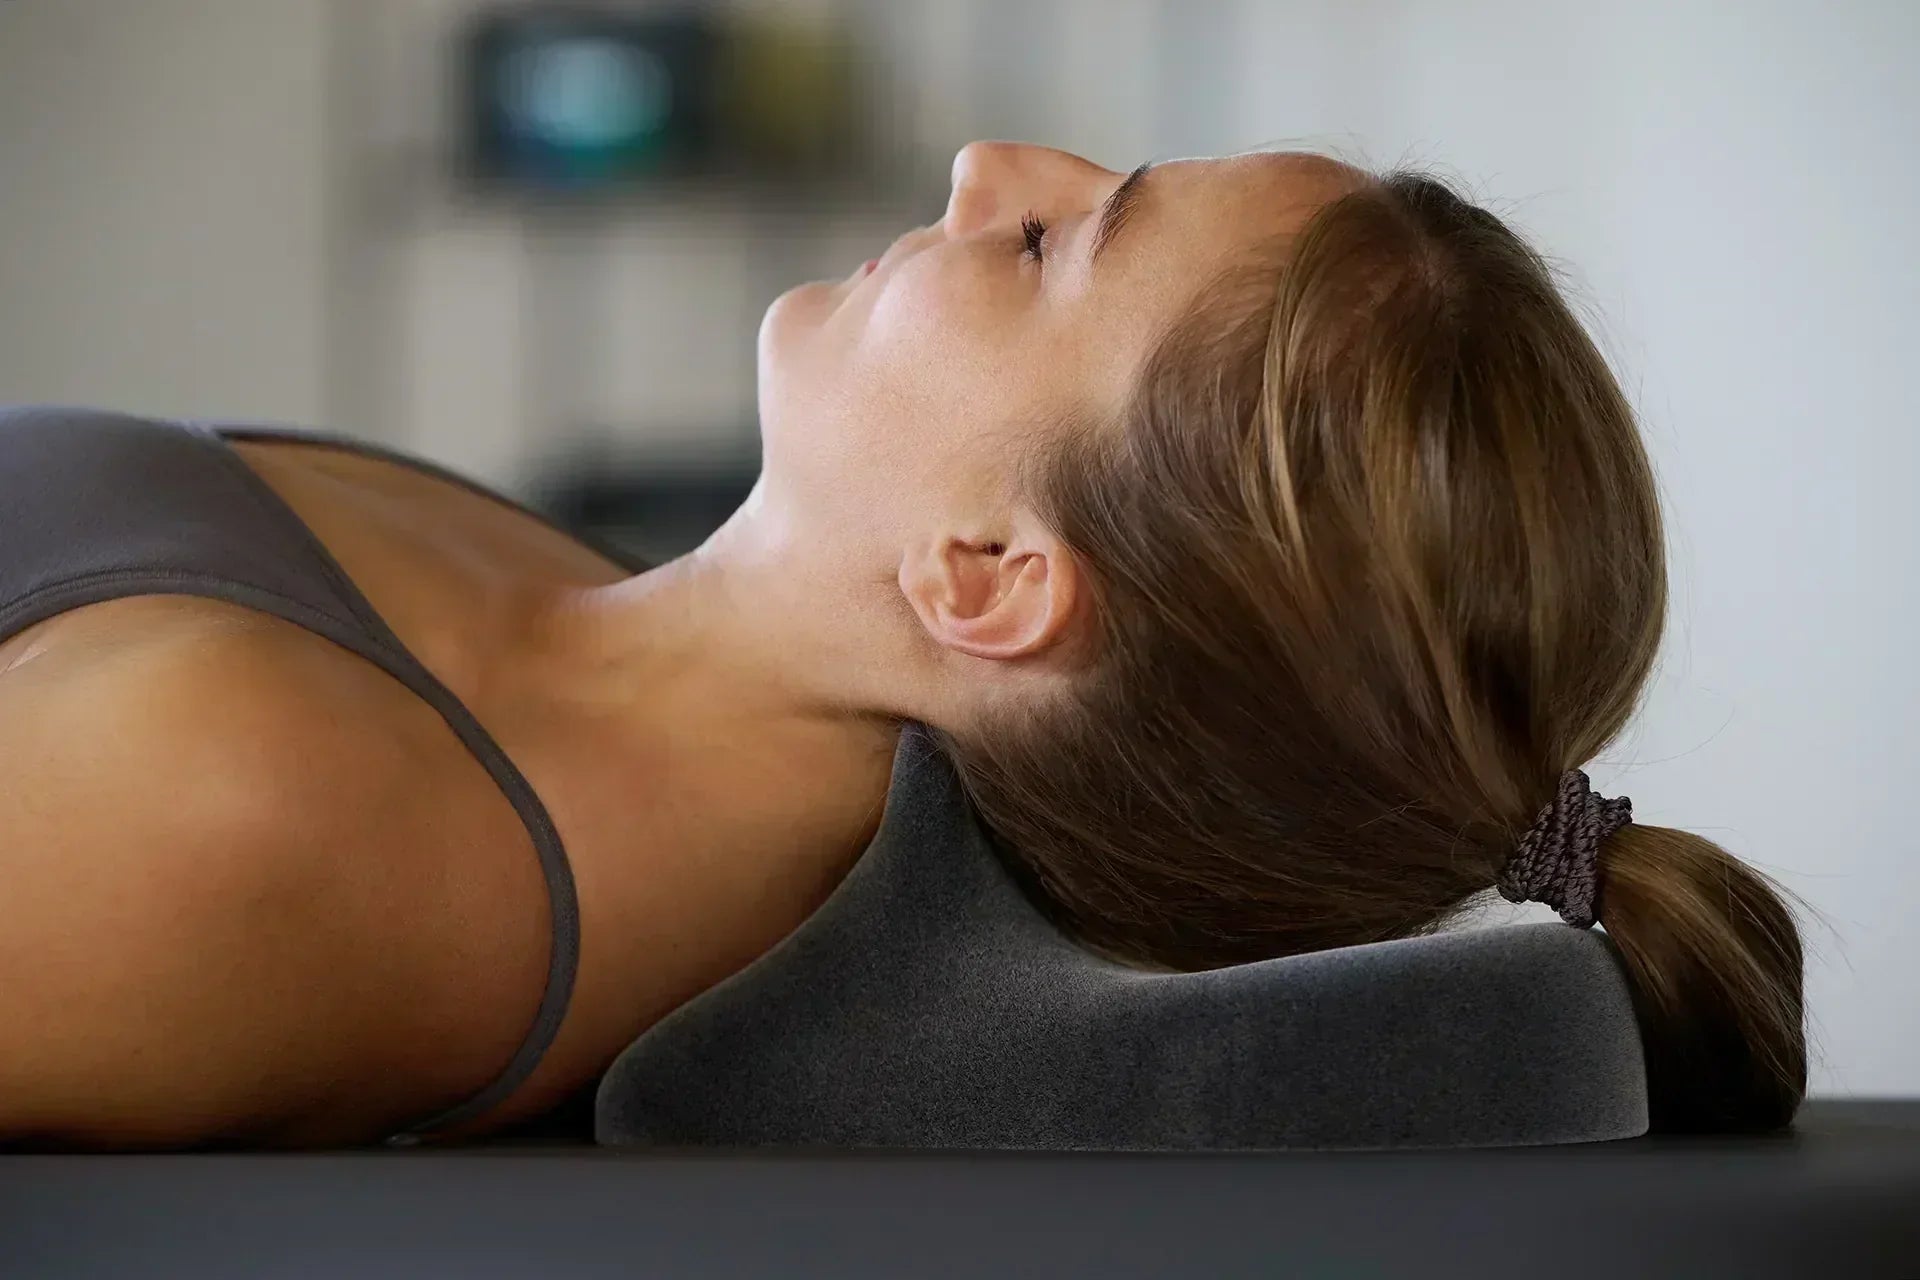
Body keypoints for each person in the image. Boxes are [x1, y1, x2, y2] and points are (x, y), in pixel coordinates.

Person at [0, 142, 1805, 1151]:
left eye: (1044, 245)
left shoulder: (253, 829)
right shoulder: (573, 616)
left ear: (990, 576)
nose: (981, 167)